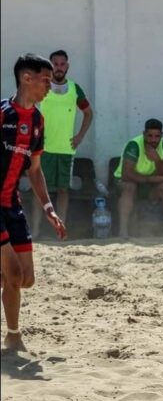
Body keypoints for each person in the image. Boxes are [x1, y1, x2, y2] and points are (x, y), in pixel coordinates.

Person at [1, 54, 67, 351]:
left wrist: (48, 208)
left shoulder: (38, 121)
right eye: (46, 80)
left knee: (26, 279)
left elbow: (35, 170)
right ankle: (13, 336)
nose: (49, 86)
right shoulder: (3, 114)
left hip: (11, 204)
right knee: (12, 274)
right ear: (26, 78)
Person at [32, 49, 94, 236]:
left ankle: (61, 231)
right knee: (39, 192)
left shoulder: (75, 89)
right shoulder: (40, 86)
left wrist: (79, 136)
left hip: (66, 149)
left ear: (67, 66)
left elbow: (88, 113)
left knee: (63, 191)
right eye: (55, 64)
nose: (58, 68)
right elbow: (26, 109)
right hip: (43, 149)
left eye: (62, 64)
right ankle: (34, 231)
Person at [113, 118, 163, 237]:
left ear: (162, 135)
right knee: (130, 187)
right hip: (126, 181)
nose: (153, 140)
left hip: (150, 184)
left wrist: (157, 160)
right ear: (144, 134)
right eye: (150, 136)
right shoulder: (134, 145)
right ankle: (123, 232)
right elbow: (126, 174)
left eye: (157, 136)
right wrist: (150, 179)